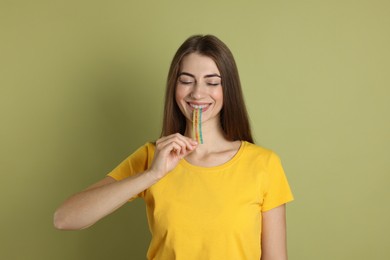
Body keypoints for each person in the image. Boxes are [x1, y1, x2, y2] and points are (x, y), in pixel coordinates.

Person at [54, 34, 294, 260]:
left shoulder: (264, 164)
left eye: (212, 82)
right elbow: (64, 218)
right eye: (187, 81)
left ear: (227, 89)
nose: (198, 93)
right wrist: (152, 174)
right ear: (174, 87)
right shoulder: (152, 156)